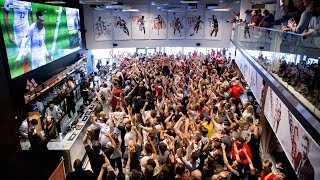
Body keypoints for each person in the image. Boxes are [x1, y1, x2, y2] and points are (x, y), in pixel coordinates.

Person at [4, 0, 33, 71]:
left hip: (26, 28)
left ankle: (26, 73)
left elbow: (31, 14)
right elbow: (5, 14)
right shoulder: (10, 1)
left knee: (26, 52)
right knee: (21, 51)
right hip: (17, 30)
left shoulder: (28, 2)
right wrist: (9, 33)